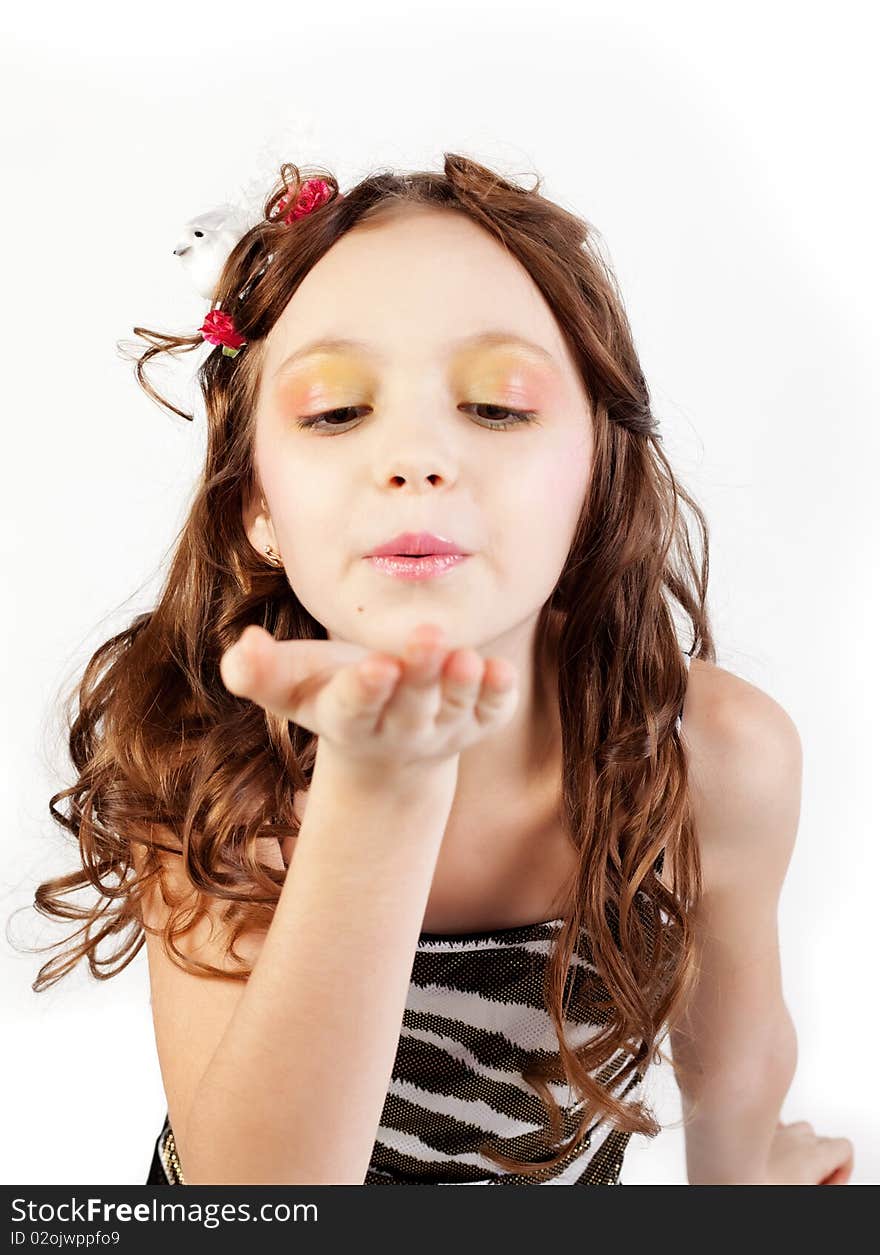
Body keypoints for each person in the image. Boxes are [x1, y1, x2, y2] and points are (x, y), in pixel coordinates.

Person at [29, 154, 853, 1186]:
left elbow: (733, 1062)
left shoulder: (713, 755)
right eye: (336, 412)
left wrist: (743, 1186)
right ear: (259, 505)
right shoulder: (208, 763)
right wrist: (379, 791)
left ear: (594, 476)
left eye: (497, 407)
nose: (416, 456)